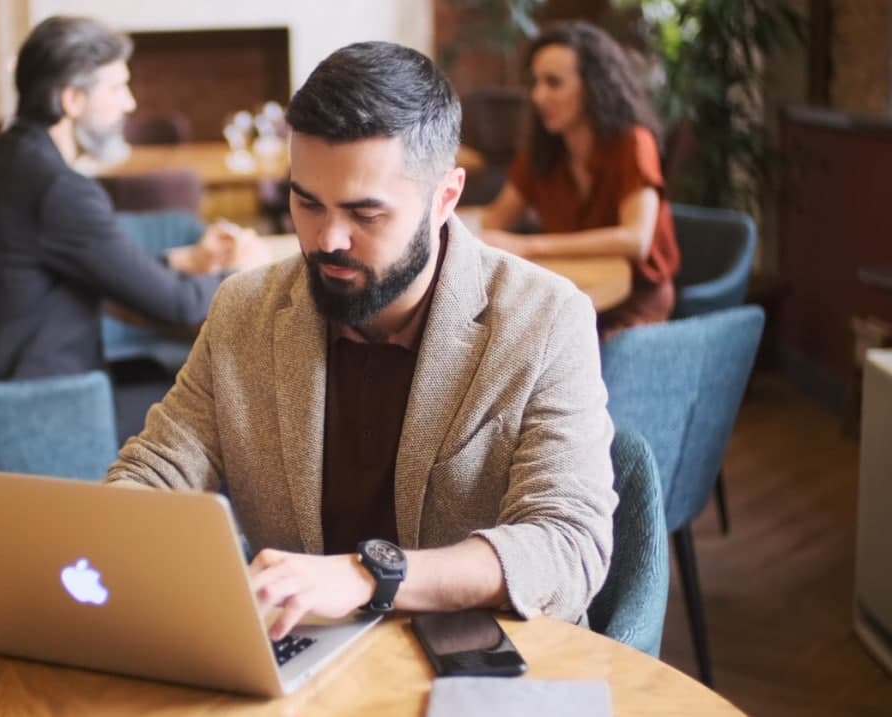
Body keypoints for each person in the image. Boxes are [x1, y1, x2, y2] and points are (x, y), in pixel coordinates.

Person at [105, 41, 617, 639]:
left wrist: (373, 576)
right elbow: (158, 469)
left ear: (445, 198)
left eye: (365, 214)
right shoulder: (245, 308)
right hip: (300, 662)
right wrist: (117, 542)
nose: (328, 240)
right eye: (307, 203)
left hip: (479, 664)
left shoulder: (546, 319)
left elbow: (567, 544)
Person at [0, 15, 260, 382]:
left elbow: (92, 266)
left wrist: (186, 260)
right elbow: (181, 308)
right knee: (213, 409)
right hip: (38, 407)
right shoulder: (58, 190)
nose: (130, 103)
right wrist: (238, 270)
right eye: (117, 88)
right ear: (72, 99)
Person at [477, 21, 681, 337]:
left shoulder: (633, 143)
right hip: (573, 290)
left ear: (594, 86)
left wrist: (529, 246)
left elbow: (636, 239)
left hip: (633, 297)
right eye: (536, 82)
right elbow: (495, 219)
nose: (538, 96)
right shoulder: (542, 150)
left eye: (554, 83)